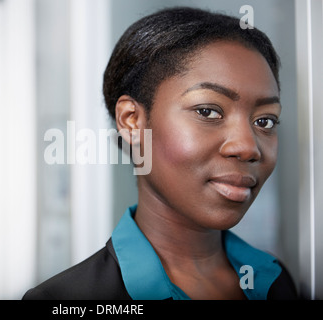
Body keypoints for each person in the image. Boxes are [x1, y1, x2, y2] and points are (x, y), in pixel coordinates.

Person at [23, 7, 298, 300]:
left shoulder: (274, 280)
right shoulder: (67, 300)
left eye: (265, 121)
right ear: (132, 121)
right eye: (208, 111)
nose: (247, 147)